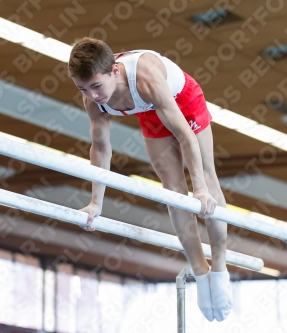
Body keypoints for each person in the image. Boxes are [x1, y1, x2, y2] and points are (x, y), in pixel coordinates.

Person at [67, 37, 232, 322]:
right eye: (83, 89)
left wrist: (201, 191)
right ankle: (200, 271)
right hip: (149, 110)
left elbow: (185, 135)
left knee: (206, 176)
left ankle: (219, 264)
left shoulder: (144, 77)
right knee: (172, 188)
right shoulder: (93, 100)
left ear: (115, 71)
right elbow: (101, 149)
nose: (92, 96)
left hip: (181, 100)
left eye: (96, 86)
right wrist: (96, 203)